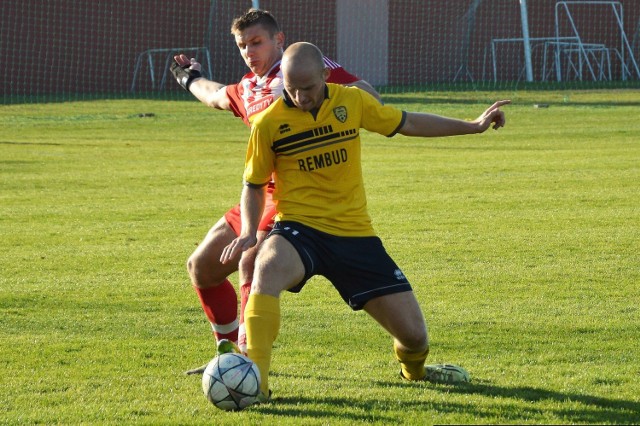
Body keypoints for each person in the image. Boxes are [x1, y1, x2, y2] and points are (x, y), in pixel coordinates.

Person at [220, 42, 510, 402]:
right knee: (266, 266)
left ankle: (415, 372)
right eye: (291, 88)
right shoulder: (268, 124)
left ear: (325, 76)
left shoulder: (351, 102)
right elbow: (253, 185)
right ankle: (257, 385)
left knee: (415, 338)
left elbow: (409, 122)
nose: (299, 96)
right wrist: (249, 232)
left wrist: (473, 126)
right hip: (299, 229)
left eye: (307, 87)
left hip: (355, 235)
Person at [169, 9, 381, 372]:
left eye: (257, 43)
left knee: (250, 261)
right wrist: (190, 78)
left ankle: (250, 365)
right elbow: (217, 95)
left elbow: (369, 96)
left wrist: (321, 85)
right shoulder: (249, 88)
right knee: (202, 267)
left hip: (293, 197)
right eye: (242, 46)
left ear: (279, 40)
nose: (249, 52)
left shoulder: (301, 75)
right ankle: (227, 356)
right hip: (256, 194)